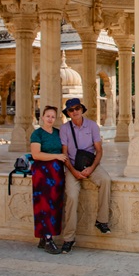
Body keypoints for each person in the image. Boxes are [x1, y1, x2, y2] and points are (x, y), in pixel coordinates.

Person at [59, 97, 112, 253]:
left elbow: (99, 150)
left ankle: (101, 221)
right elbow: (64, 154)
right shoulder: (65, 128)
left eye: (77, 108)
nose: (75, 112)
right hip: (72, 167)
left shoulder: (92, 126)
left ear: (81, 109)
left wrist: (91, 168)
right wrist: (74, 171)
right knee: (72, 196)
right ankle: (69, 238)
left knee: (105, 180)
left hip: (91, 164)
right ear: (68, 113)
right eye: (71, 110)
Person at [30, 105, 67, 255]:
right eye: (47, 116)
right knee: (44, 205)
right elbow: (36, 155)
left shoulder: (58, 133)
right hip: (42, 174)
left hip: (56, 173)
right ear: (42, 117)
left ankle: (44, 238)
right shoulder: (37, 134)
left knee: (55, 205)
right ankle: (47, 238)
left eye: (53, 116)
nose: (50, 119)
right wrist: (56, 156)